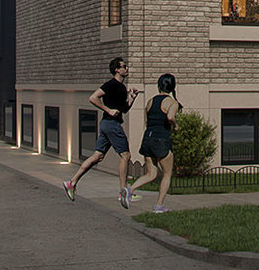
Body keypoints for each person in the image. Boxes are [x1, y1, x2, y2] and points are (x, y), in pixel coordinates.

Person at [63, 58, 140, 206]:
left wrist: (132, 98)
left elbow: (123, 109)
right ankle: (124, 191)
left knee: (97, 156)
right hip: (111, 125)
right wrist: (108, 110)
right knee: (125, 155)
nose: (127, 69)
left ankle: (72, 183)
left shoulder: (122, 88)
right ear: (117, 70)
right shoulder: (111, 84)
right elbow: (93, 98)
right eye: (124, 66)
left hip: (107, 124)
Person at [127, 72, 181, 213]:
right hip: (161, 140)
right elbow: (170, 116)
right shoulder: (172, 102)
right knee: (166, 174)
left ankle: (129, 189)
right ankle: (158, 206)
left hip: (148, 139)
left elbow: (146, 122)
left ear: (159, 86)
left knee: (151, 173)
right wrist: (175, 125)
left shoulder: (150, 101)